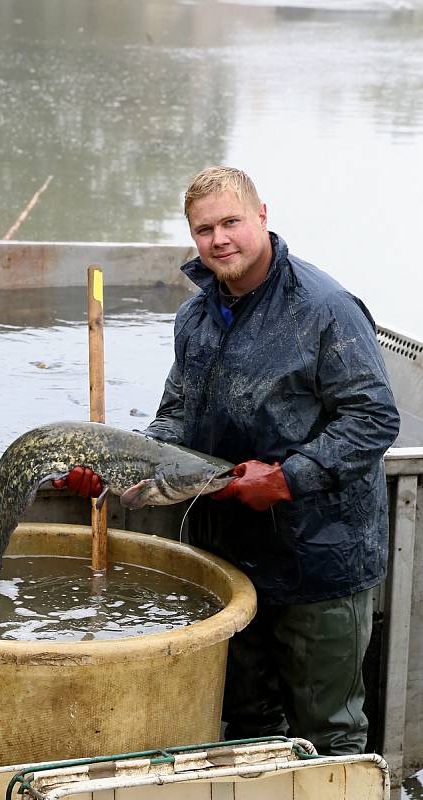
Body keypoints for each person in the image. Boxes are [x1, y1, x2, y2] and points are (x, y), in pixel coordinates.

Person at [58, 166, 400, 756]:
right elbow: (175, 421)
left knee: (331, 733)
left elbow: (373, 419)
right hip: (230, 559)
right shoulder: (193, 318)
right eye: (203, 229)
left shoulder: (326, 308)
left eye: (231, 222)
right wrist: (118, 467)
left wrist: (290, 477)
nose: (219, 239)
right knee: (246, 726)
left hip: (321, 560)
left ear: (263, 215)